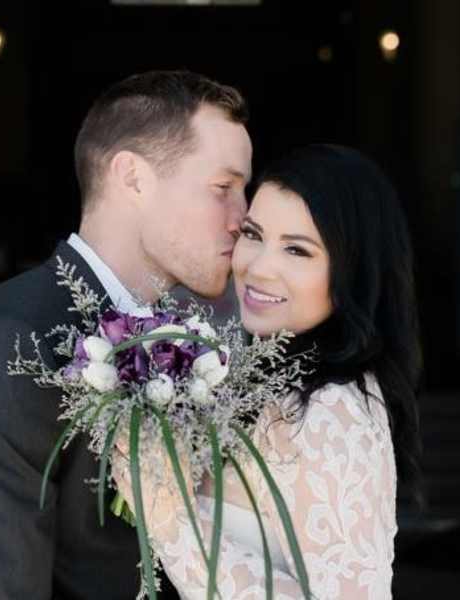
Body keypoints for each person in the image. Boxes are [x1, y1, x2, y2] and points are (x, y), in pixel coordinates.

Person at [0, 70, 252, 599]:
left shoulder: (191, 347)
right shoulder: (3, 348)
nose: (243, 218)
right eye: (223, 188)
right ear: (132, 178)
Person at [112, 144, 422, 599]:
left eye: (297, 250)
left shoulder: (334, 409)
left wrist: (170, 521)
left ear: (351, 272)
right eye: (253, 234)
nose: (257, 267)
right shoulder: (266, 382)